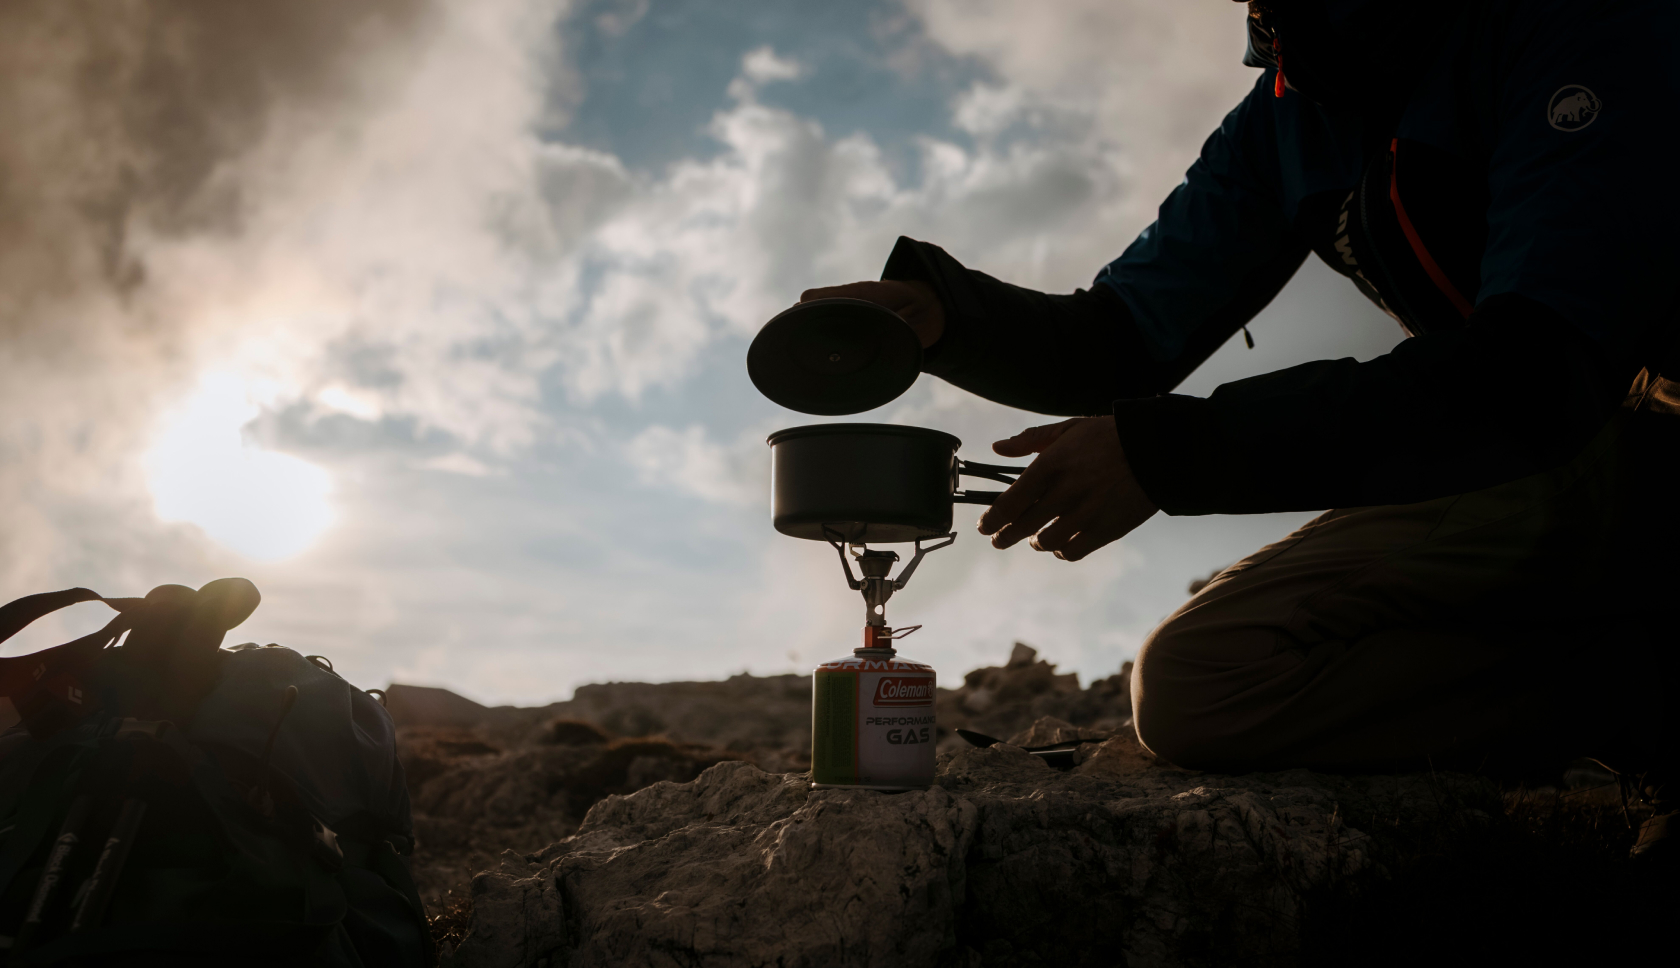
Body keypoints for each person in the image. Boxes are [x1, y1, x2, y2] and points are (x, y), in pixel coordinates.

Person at [796, 0, 1679, 857]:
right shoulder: (1290, 107)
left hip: (1615, 425)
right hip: (1536, 455)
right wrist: (946, 317)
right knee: (1199, 682)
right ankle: (1644, 701)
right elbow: (1123, 336)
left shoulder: (1578, 22)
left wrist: (1166, 455)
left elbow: (1534, 371)